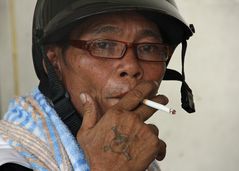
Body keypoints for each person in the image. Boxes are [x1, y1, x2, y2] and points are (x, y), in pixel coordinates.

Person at [0, 0, 195, 170]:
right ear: (54, 62)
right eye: (103, 45)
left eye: (148, 47)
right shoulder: (12, 157)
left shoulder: (140, 155)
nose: (132, 66)